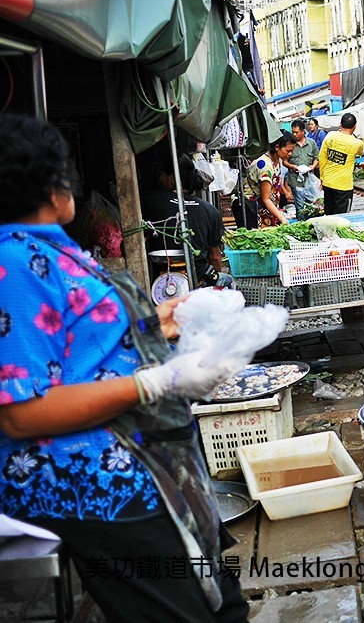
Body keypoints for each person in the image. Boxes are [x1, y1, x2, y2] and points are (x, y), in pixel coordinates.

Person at [0, 114, 248, 622]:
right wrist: (157, 381)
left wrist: (167, 318)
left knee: (220, 603)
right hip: (100, 484)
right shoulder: (11, 265)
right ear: (55, 184)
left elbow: (82, 340)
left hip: (148, 459)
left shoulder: (43, 248)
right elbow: (20, 413)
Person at [143, 156, 234, 289]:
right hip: (201, 277)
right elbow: (215, 256)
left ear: (172, 178)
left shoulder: (151, 202)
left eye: (161, 174)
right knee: (228, 282)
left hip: (164, 278)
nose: (159, 179)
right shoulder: (210, 209)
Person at [244, 132, 295, 227]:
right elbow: (266, 198)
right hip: (249, 206)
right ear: (277, 147)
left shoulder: (278, 159)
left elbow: (277, 183)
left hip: (264, 205)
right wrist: (282, 218)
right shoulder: (265, 166)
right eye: (288, 151)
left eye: (292, 151)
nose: (290, 154)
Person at [318, 112, 364, 215]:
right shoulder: (357, 143)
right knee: (342, 217)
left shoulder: (330, 136)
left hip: (328, 182)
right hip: (344, 186)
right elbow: (361, 152)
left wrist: (322, 178)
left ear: (340, 124)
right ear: (355, 126)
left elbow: (322, 157)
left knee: (329, 214)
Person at [287, 119, 320, 219]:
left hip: (309, 180)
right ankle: (301, 224)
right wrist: (292, 167)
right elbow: (284, 160)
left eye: (296, 132)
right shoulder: (290, 144)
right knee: (300, 206)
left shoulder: (311, 143)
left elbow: (317, 158)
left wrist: (313, 166)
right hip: (295, 180)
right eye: (293, 132)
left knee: (312, 205)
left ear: (303, 131)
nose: (294, 134)